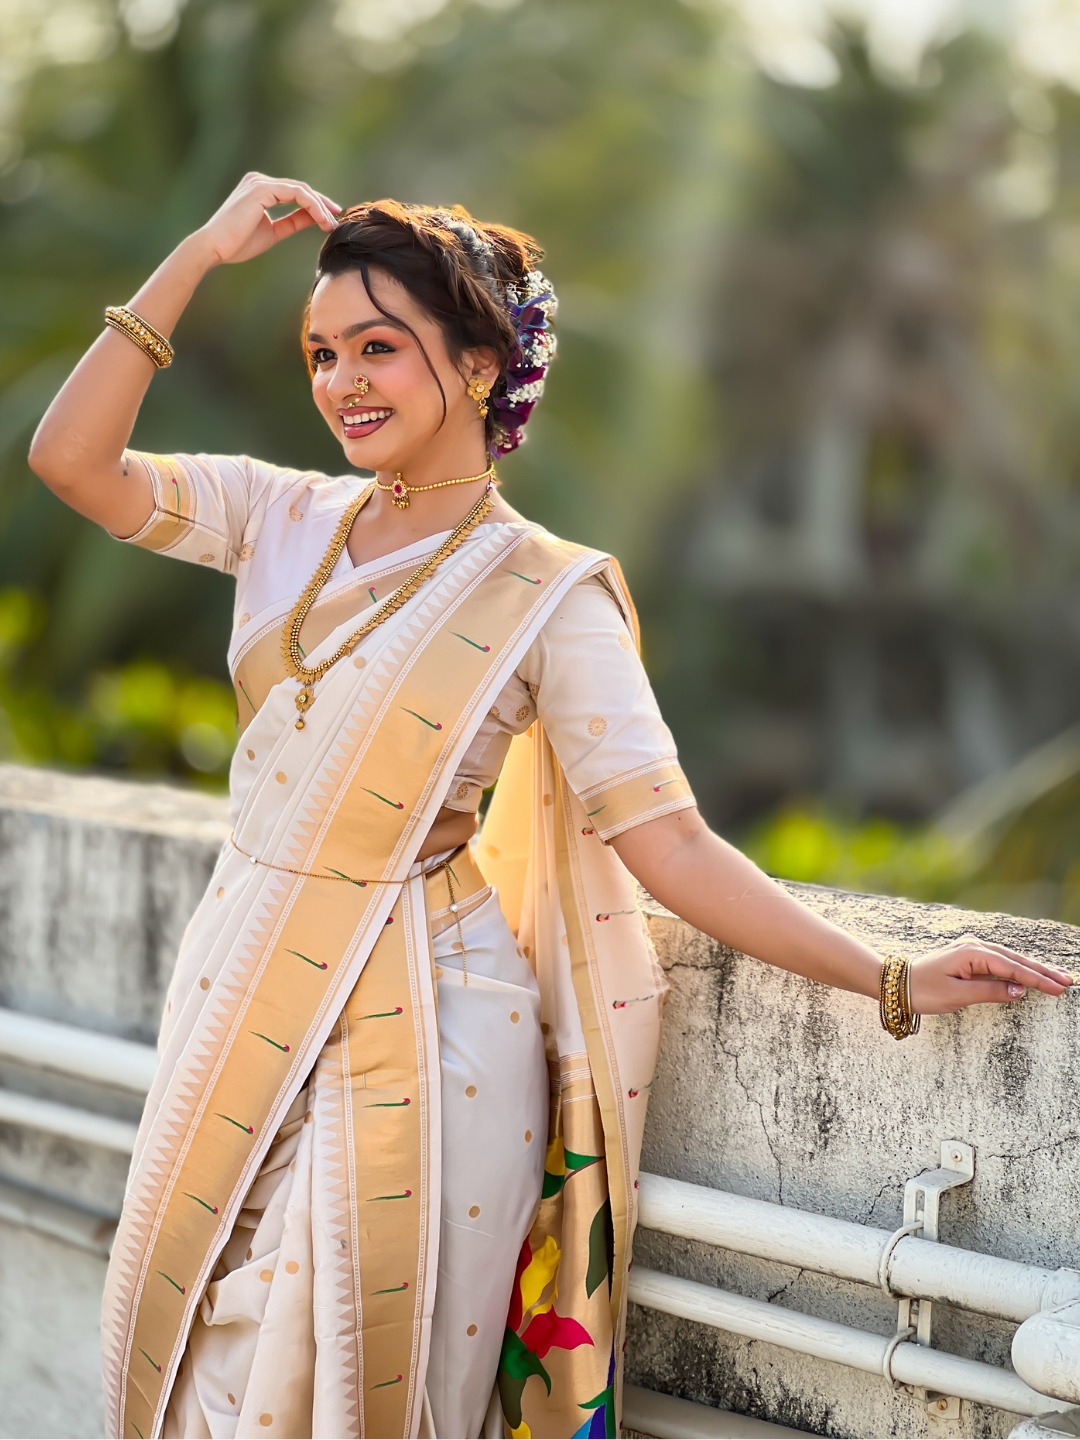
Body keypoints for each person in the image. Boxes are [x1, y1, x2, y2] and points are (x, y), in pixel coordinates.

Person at [28, 172, 1074, 1440]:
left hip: (419, 1024)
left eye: (379, 348)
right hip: (237, 984)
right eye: (321, 353)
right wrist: (194, 255)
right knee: (182, 1348)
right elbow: (70, 462)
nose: (342, 382)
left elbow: (670, 841)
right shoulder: (281, 516)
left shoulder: (548, 594)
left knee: (343, 1386)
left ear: (478, 365)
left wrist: (889, 977)